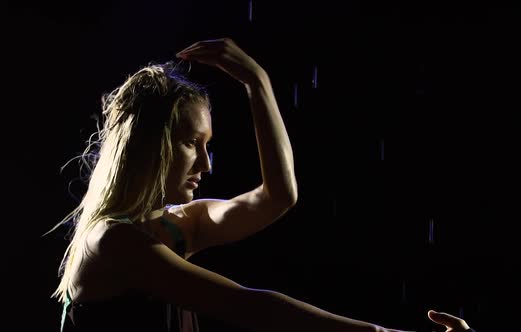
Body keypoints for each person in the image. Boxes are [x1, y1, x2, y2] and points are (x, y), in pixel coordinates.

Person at [50, 37, 465, 332]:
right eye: (193, 143)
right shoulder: (111, 240)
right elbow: (244, 305)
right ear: (148, 146)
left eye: (208, 145)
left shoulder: (179, 224)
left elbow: (278, 197)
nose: (207, 163)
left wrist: (258, 84)